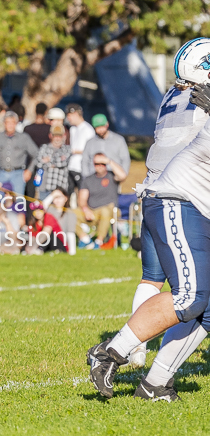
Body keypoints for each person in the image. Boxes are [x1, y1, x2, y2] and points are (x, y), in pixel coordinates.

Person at [92, 39, 210, 400]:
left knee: (201, 304)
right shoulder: (198, 102)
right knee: (189, 296)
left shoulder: (174, 96)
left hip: (177, 197)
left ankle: (156, 382)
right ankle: (111, 351)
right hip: (179, 198)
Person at [75, 153, 126, 249]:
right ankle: (85, 239)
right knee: (71, 213)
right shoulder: (88, 180)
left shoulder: (112, 176)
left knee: (105, 211)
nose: (99, 166)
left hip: (110, 211)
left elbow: (123, 175)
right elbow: (82, 198)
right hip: (92, 211)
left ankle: (99, 242)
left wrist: (109, 161)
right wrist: (85, 209)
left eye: (102, 163)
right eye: (96, 164)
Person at [0, 111, 39, 195]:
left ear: (16, 123)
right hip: (0, 173)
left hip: (18, 174)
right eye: (8, 122)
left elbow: (36, 154)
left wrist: (29, 171)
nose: (10, 125)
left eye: (12, 122)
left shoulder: (24, 138)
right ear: (4, 123)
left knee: (18, 202)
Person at [81, 114, 130, 179]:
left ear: (107, 124)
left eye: (102, 126)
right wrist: (87, 178)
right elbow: (85, 160)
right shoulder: (90, 143)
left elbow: (125, 159)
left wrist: (122, 175)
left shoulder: (118, 140)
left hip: (113, 178)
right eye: (97, 127)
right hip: (94, 179)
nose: (100, 130)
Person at [65, 103, 95, 190]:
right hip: (71, 166)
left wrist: (73, 151)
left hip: (81, 168)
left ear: (75, 114)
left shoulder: (88, 129)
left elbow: (90, 150)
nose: (68, 118)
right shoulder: (73, 129)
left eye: (69, 115)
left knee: (82, 191)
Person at [36, 125, 71, 199]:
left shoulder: (67, 149)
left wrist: (48, 159)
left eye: (60, 136)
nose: (57, 138)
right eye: (55, 136)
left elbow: (63, 163)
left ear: (64, 136)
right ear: (50, 136)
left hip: (60, 187)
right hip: (44, 187)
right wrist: (56, 160)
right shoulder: (44, 147)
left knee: (57, 210)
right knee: (43, 209)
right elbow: (39, 163)